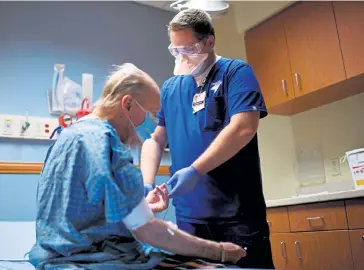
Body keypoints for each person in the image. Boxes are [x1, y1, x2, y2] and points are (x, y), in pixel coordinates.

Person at [29, 63, 246, 269]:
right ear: (128, 104)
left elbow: (84, 212)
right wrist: (218, 251)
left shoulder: (71, 136)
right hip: (90, 260)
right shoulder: (107, 144)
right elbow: (148, 231)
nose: (155, 122)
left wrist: (141, 206)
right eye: (153, 113)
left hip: (51, 257)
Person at [140, 9, 275, 269]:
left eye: (188, 49)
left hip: (236, 217)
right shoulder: (171, 88)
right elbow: (155, 140)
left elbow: (244, 127)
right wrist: (148, 183)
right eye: (175, 50)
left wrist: (195, 170)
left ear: (209, 42)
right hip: (189, 219)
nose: (181, 57)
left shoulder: (235, 73)